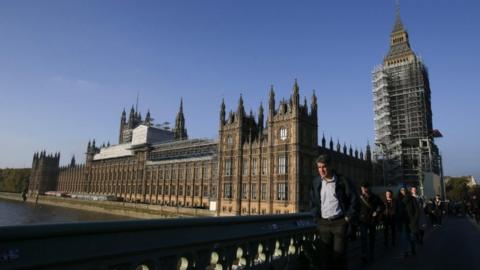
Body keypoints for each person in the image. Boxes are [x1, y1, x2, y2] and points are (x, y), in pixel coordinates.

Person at [310, 154, 359, 270]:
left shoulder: (342, 181)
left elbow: (354, 200)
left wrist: (347, 218)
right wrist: (316, 219)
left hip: (339, 223)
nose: (321, 170)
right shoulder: (316, 182)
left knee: (339, 256)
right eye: (319, 167)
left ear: (330, 166)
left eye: (324, 167)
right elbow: (312, 202)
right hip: (323, 224)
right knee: (325, 258)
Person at [358, 182, 383, 262]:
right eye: (362, 188)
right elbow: (355, 208)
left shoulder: (375, 197)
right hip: (363, 220)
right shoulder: (359, 198)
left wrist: (377, 211)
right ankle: (364, 253)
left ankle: (371, 252)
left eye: (365, 188)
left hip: (372, 220)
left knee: (372, 238)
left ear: (368, 188)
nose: (364, 190)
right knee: (363, 238)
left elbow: (382, 206)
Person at [396, 187, 418, 257]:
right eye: (402, 190)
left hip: (411, 221)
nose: (403, 191)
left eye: (404, 190)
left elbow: (417, 210)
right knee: (404, 237)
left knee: (411, 236)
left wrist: (415, 220)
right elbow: (396, 211)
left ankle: (412, 248)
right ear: (400, 191)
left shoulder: (412, 199)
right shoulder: (398, 200)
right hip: (402, 221)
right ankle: (405, 251)